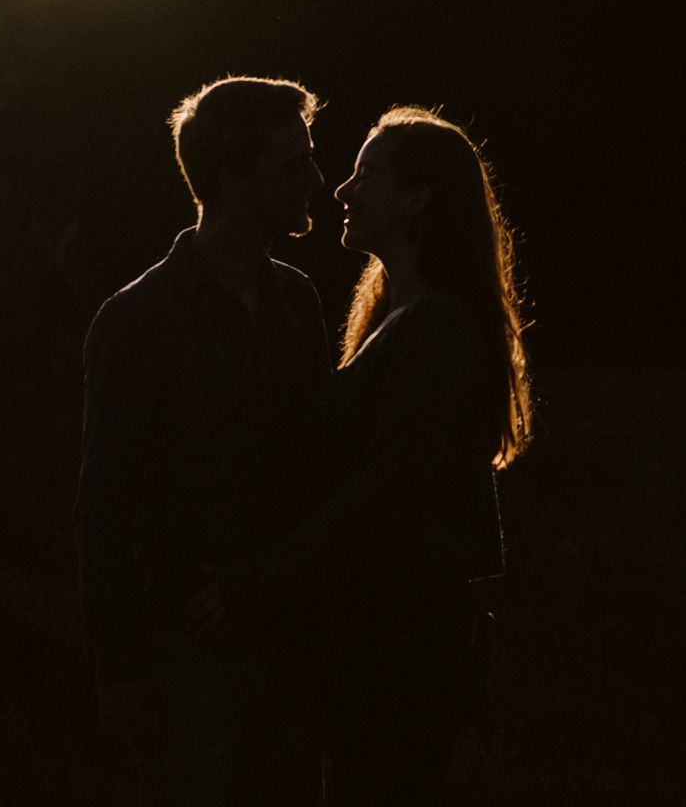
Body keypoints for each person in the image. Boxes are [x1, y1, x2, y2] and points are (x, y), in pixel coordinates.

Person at [185, 106, 534, 807]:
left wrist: (254, 584)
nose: (341, 190)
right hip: (380, 651)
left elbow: (382, 501)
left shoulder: (436, 330)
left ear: (416, 199)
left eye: (366, 173)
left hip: (400, 659)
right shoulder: (399, 321)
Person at [74, 75, 332, 805]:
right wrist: (118, 671)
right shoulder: (136, 321)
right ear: (229, 176)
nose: (315, 179)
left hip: (293, 646)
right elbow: (104, 505)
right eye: (293, 164)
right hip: (189, 657)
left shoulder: (301, 302)